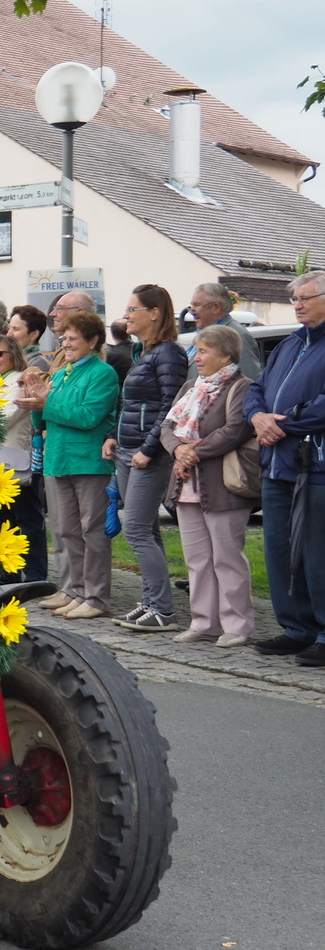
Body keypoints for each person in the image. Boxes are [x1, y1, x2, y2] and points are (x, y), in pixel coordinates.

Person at [244, 270, 325, 664]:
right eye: (295, 298)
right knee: (279, 551)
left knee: (317, 552)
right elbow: (255, 389)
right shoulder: (290, 345)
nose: (298, 304)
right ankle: (297, 627)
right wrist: (258, 417)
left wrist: (283, 422)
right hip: (276, 465)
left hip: (315, 467)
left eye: (306, 297)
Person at [162, 325, 257, 648]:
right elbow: (168, 425)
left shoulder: (241, 387)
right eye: (196, 350)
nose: (196, 357)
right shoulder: (192, 386)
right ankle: (204, 622)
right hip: (187, 484)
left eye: (203, 351)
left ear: (226, 355)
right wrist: (178, 449)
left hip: (222, 486)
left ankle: (237, 624)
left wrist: (193, 451)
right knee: (198, 559)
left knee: (227, 557)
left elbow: (235, 430)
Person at [19, 312, 117, 619]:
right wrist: (33, 399)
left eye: (73, 338)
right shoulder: (62, 374)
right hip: (58, 459)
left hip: (88, 462)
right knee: (65, 531)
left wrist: (46, 404)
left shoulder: (102, 374)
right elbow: (44, 418)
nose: (66, 343)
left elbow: (88, 416)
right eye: (65, 338)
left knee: (92, 531)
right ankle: (74, 589)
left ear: (93, 341)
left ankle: (96, 596)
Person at [105, 284, 187, 632]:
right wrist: (113, 436)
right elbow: (131, 404)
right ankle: (152, 602)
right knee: (147, 529)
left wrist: (149, 449)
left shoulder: (169, 353)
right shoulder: (143, 353)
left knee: (136, 527)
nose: (126, 316)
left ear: (154, 312)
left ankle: (163, 610)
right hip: (127, 449)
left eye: (132, 310)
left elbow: (170, 408)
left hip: (146, 453)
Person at [0, 334, 47, 582]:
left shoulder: (19, 380)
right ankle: (7, 573)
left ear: (14, 356)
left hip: (13, 458)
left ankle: (35, 573)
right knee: (0, 520)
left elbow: (8, 416)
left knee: (27, 518)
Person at [187, 283, 261, 380]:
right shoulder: (204, 334)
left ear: (216, 307)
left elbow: (248, 379)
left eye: (196, 305)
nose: (191, 311)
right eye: (191, 306)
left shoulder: (236, 336)